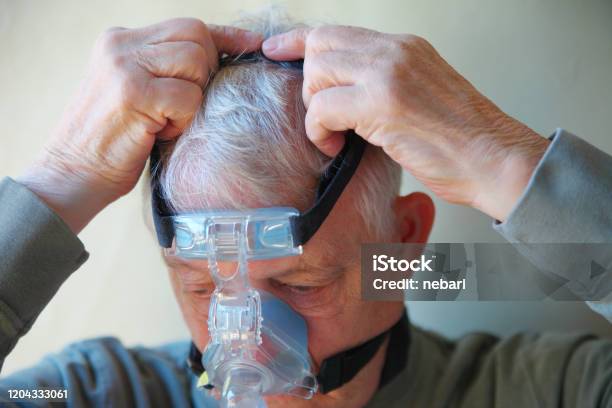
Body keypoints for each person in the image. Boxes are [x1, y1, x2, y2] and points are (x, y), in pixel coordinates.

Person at [1, 12, 611, 408]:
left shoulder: (552, 393)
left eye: (300, 282)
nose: (249, 352)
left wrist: (501, 159)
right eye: (200, 287)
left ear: (402, 243)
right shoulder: (92, 395)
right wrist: (61, 178)